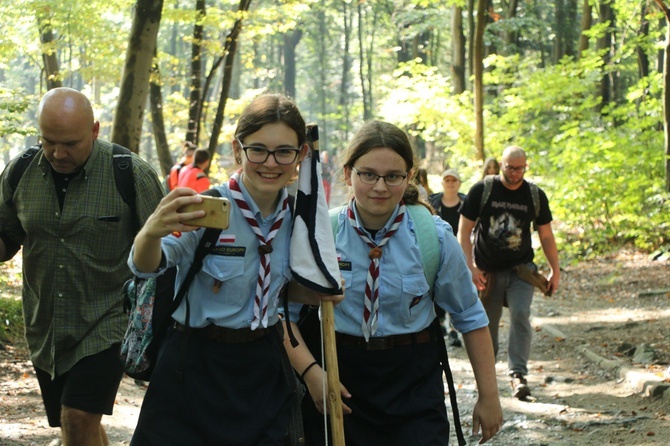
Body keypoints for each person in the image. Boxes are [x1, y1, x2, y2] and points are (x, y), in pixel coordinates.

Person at [128, 93, 341, 445]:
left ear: (301, 154)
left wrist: (325, 290)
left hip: (262, 364)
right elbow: (147, 267)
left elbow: (288, 291)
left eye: (284, 151)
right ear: (237, 149)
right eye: (258, 149)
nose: (270, 163)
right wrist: (151, 232)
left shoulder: (302, 219)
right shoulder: (207, 207)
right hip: (193, 363)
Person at [284, 120, 502, 445]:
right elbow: (283, 316)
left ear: (409, 176)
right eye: (368, 174)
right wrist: (313, 374)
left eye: (393, 176)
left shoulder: (433, 238)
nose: (380, 187)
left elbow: (469, 317)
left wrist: (489, 395)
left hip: (413, 384)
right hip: (339, 378)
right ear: (348, 174)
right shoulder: (320, 238)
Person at [0, 87, 165, 445]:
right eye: (49, 141)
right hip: (47, 326)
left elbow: (168, 253)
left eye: (71, 143)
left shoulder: (130, 174)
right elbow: (7, 238)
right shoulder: (21, 172)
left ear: (94, 130)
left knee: (76, 417)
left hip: (108, 322)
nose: (58, 153)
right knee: (74, 423)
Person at [458, 145, 560, 401]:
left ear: (526, 167)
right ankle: (487, 377)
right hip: (487, 271)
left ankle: (518, 375)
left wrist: (555, 270)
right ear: (501, 165)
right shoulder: (483, 190)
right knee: (486, 325)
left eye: (520, 168)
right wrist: (470, 267)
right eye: (510, 167)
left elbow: (546, 235)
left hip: (521, 270)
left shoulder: (534, 194)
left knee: (521, 314)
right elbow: (464, 230)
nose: (515, 173)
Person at [427, 169, 466, 347]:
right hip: (438, 252)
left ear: (459, 182)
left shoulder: (466, 202)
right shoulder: (433, 202)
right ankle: (441, 323)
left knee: (455, 290)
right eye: (447, 180)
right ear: (442, 182)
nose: (450, 183)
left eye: (454, 180)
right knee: (438, 288)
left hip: (460, 252)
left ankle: (453, 330)